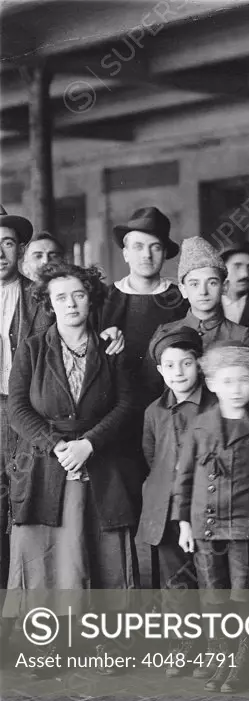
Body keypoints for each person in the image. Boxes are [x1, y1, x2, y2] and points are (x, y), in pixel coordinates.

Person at [4, 264, 137, 645]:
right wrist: (56, 445)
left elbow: (127, 405)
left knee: (103, 554)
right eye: (60, 296)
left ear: (90, 298)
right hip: (46, 467)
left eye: (78, 294)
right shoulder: (31, 350)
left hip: (101, 463)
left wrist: (89, 444)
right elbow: (17, 407)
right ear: (48, 303)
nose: (71, 303)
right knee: (46, 560)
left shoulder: (110, 348)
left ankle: (108, 644)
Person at [174, 341, 249, 693]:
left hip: (247, 526)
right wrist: (183, 522)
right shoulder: (199, 425)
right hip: (205, 525)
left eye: (243, 380)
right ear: (211, 384)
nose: (236, 389)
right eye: (227, 381)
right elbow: (185, 475)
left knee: (244, 596)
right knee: (213, 596)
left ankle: (243, 662)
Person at [138, 326, 216, 677]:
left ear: (199, 364)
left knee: (209, 578)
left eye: (186, 363)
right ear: (159, 370)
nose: (179, 372)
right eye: (170, 366)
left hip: (207, 508)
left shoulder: (215, 405)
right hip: (167, 510)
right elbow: (151, 455)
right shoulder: (154, 411)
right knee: (175, 583)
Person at [0, 206, 47, 628]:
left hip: (24, 414)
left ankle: (24, 619)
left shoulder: (39, 297)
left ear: (20, 250)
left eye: (7, 243)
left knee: (23, 502)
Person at [100, 207, 189, 411]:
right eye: (138, 246)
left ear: (165, 253)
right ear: (125, 254)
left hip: (170, 405)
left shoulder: (180, 298)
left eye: (155, 247)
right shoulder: (105, 298)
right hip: (114, 407)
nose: (146, 255)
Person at [155, 236, 249, 355]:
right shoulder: (165, 334)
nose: (203, 291)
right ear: (183, 289)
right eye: (194, 284)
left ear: (224, 287)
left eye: (212, 283)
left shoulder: (242, 336)